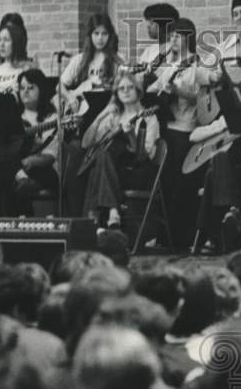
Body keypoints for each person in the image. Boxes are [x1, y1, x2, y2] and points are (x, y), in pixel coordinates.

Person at [193, 0, 241, 254]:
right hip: (232, 117)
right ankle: (228, 216)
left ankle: (214, 232)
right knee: (219, 156)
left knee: (215, 166)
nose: (239, 18)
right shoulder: (226, 45)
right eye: (235, 14)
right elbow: (197, 72)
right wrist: (213, 75)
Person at [78, 71, 160, 229]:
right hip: (113, 173)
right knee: (101, 158)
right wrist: (100, 117)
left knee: (101, 161)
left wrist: (130, 133)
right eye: (121, 88)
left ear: (138, 91)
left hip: (136, 172)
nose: (126, 91)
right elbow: (85, 144)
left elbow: (143, 156)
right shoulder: (113, 117)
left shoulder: (149, 118)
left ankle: (93, 219)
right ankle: (113, 212)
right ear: (116, 93)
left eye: (130, 87)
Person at [145, 17, 198, 246]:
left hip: (185, 128)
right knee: (164, 183)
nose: (173, 41)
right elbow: (153, 88)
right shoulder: (168, 64)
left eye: (178, 36)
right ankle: (163, 235)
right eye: (171, 36)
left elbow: (197, 93)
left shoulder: (197, 64)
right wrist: (150, 84)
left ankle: (178, 237)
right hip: (166, 127)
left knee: (179, 185)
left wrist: (176, 88)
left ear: (189, 37)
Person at [12, 68, 63, 215]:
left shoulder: (51, 117)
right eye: (22, 88)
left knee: (19, 183)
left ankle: (23, 221)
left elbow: (50, 156)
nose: (25, 91)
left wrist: (31, 161)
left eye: (31, 87)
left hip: (41, 169)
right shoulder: (13, 115)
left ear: (41, 89)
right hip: (16, 167)